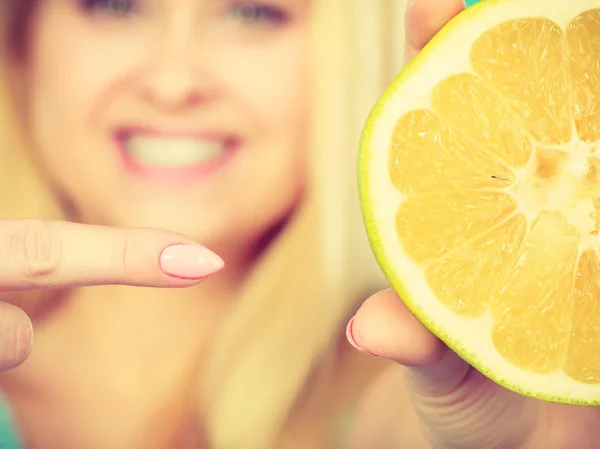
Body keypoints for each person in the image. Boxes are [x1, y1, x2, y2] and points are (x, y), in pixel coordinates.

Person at [0, 0, 595, 448]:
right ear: (24, 45)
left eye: (254, 12)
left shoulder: (401, 383)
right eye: (115, 3)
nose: (173, 83)